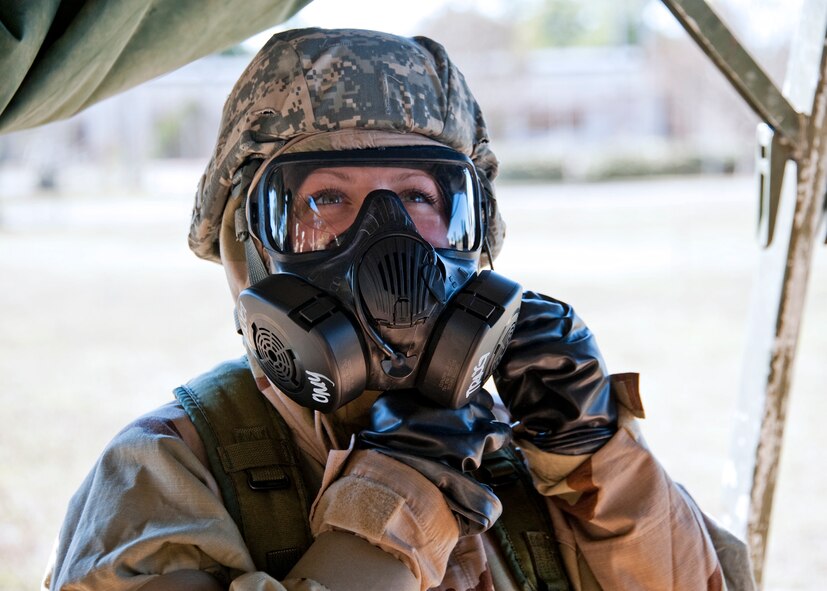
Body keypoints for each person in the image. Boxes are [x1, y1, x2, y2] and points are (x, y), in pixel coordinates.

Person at [44, 28, 755, 591]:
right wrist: (393, 506)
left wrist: (599, 459)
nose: (388, 241)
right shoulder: (165, 469)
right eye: (327, 201)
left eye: (417, 198)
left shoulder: (521, 439)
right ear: (248, 248)